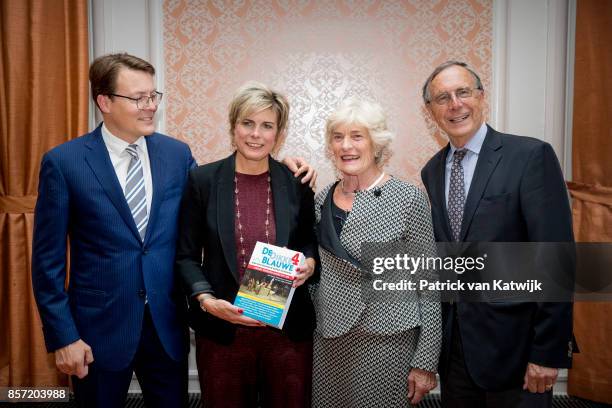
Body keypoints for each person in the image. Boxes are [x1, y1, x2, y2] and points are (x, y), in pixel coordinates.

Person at [31, 54, 315, 407]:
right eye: (138, 98)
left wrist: (284, 167)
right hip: (97, 331)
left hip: (167, 327)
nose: (150, 106)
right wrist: (63, 336)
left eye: (153, 96)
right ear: (104, 101)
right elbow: (47, 263)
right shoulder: (64, 162)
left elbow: (223, 194)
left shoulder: (177, 156)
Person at [420, 61, 574, 407]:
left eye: (463, 92)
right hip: (457, 355)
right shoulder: (432, 171)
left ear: (481, 96)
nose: (455, 104)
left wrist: (548, 352)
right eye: (442, 98)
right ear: (431, 111)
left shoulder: (530, 156)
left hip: (518, 354)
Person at [175, 81, 318, 408]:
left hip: (286, 334)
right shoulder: (203, 181)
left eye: (267, 126)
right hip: (224, 332)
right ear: (233, 127)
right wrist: (207, 300)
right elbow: (185, 255)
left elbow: (309, 240)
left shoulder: (296, 183)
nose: (256, 134)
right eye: (247, 123)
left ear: (278, 133)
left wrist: (309, 264)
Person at [312, 97, 442, 407]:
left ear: (376, 143)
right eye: (338, 137)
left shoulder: (408, 198)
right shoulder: (320, 199)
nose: (347, 146)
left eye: (357, 136)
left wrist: (426, 360)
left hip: (388, 338)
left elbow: (429, 282)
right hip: (330, 337)